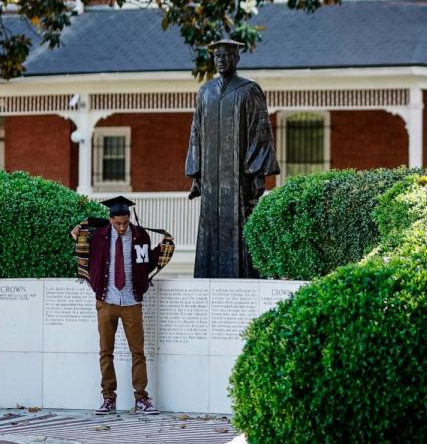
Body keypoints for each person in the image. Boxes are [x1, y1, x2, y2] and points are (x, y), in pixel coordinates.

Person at [185, 39, 280, 278]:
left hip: (240, 179)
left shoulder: (248, 90)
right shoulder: (205, 92)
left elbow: (260, 131)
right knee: (210, 228)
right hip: (212, 179)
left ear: (236, 58)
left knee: (240, 229)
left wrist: (258, 173)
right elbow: (196, 131)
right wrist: (196, 173)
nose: (220, 60)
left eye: (226, 55)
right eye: (217, 56)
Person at [71, 196, 162, 415]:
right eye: (117, 223)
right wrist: (76, 234)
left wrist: (162, 251)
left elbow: (146, 263)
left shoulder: (141, 235)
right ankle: (108, 398)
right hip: (107, 301)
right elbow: (84, 256)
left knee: (137, 352)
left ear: (129, 218)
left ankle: (142, 399)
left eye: (125, 222)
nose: (121, 227)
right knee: (106, 351)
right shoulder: (99, 236)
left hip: (132, 302)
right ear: (109, 219)